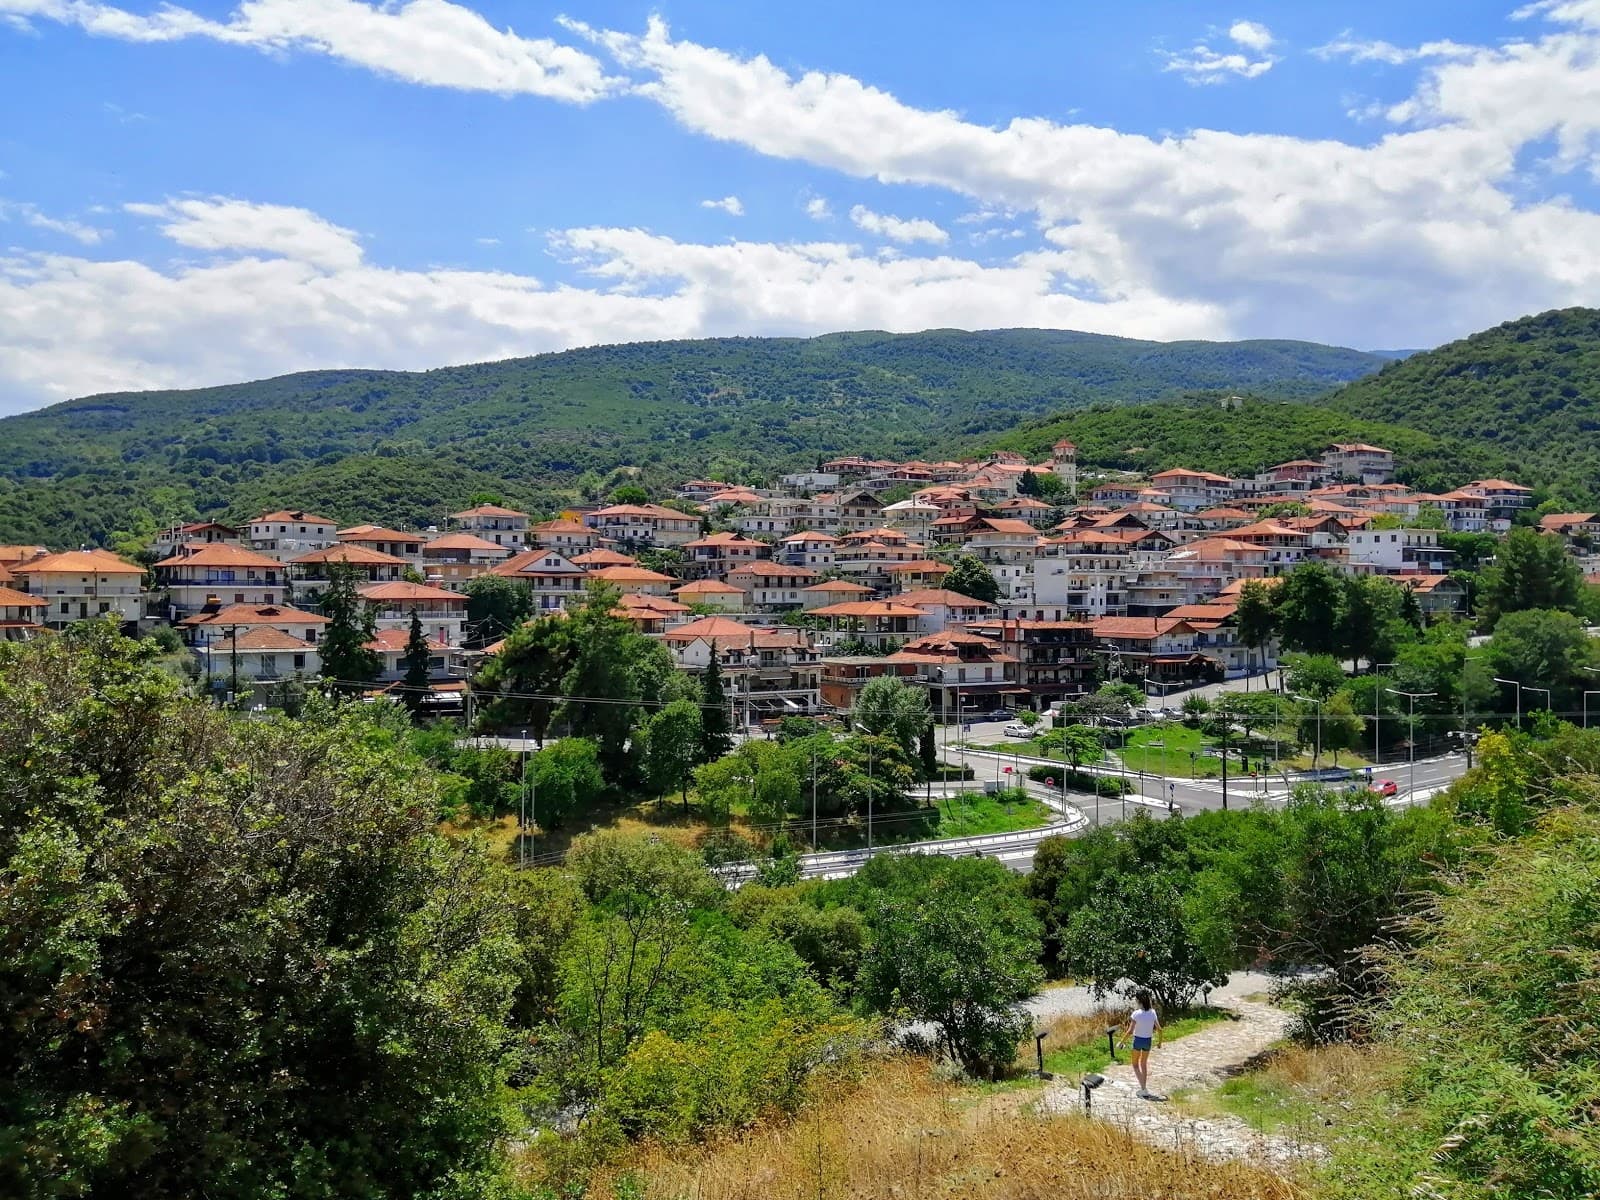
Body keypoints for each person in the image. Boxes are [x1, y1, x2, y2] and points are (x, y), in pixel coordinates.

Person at [1119, 989, 1163, 1099]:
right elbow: (1159, 1029)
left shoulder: (1136, 1014)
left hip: (1138, 1040)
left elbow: (1129, 1031)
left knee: (1135, 1064)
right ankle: (1144, 1088)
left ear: (1138, 1001)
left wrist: (1121, 1042)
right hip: (1148, 1040)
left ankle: (1143, 1088)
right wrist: (1159, 1042)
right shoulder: (1152, 1012)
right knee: (1144, 1064)